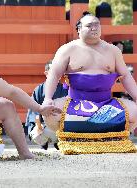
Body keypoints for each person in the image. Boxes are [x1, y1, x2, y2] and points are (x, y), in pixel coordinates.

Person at [41, 12, 137, 153]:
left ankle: (109, 139)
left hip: (106, 103)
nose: (94, 28)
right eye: (89, 25)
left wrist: (136, 97)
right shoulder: (67, 49)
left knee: (135, 111)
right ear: (79, 29)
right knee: (50, 112)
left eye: (97, 24)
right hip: (75, 101)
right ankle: (71, 138)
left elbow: (125, 76)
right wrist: (48, 98)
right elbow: (54, 75)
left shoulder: (113, 50)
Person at [25, 60, 68, 150]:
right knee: (37, 134)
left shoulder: (66, 89)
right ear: (46, 73)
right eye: (53, 71)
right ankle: (44, 142)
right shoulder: (39, 90)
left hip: (60, 124)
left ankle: (58, 142)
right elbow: (33, 111)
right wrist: (37, 124)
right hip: (43, 125)